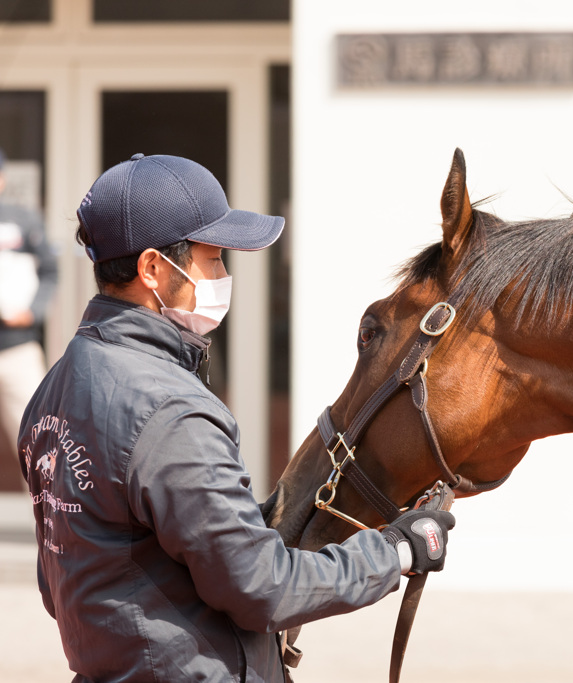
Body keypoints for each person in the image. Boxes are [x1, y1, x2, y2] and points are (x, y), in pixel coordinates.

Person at [18, 153, 455, 682]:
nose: (224, 275)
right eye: (214, 258)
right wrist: (397, 549)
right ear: (153, 268)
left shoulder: (55, 387)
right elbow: (262, 589)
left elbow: (60, 584)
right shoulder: (170, 410)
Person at [0, 147, 57, 473]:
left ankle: (51, 524)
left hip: (17, 347)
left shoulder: (24, 219)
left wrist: (33, 312)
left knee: (38, 449)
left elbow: (50, 272)